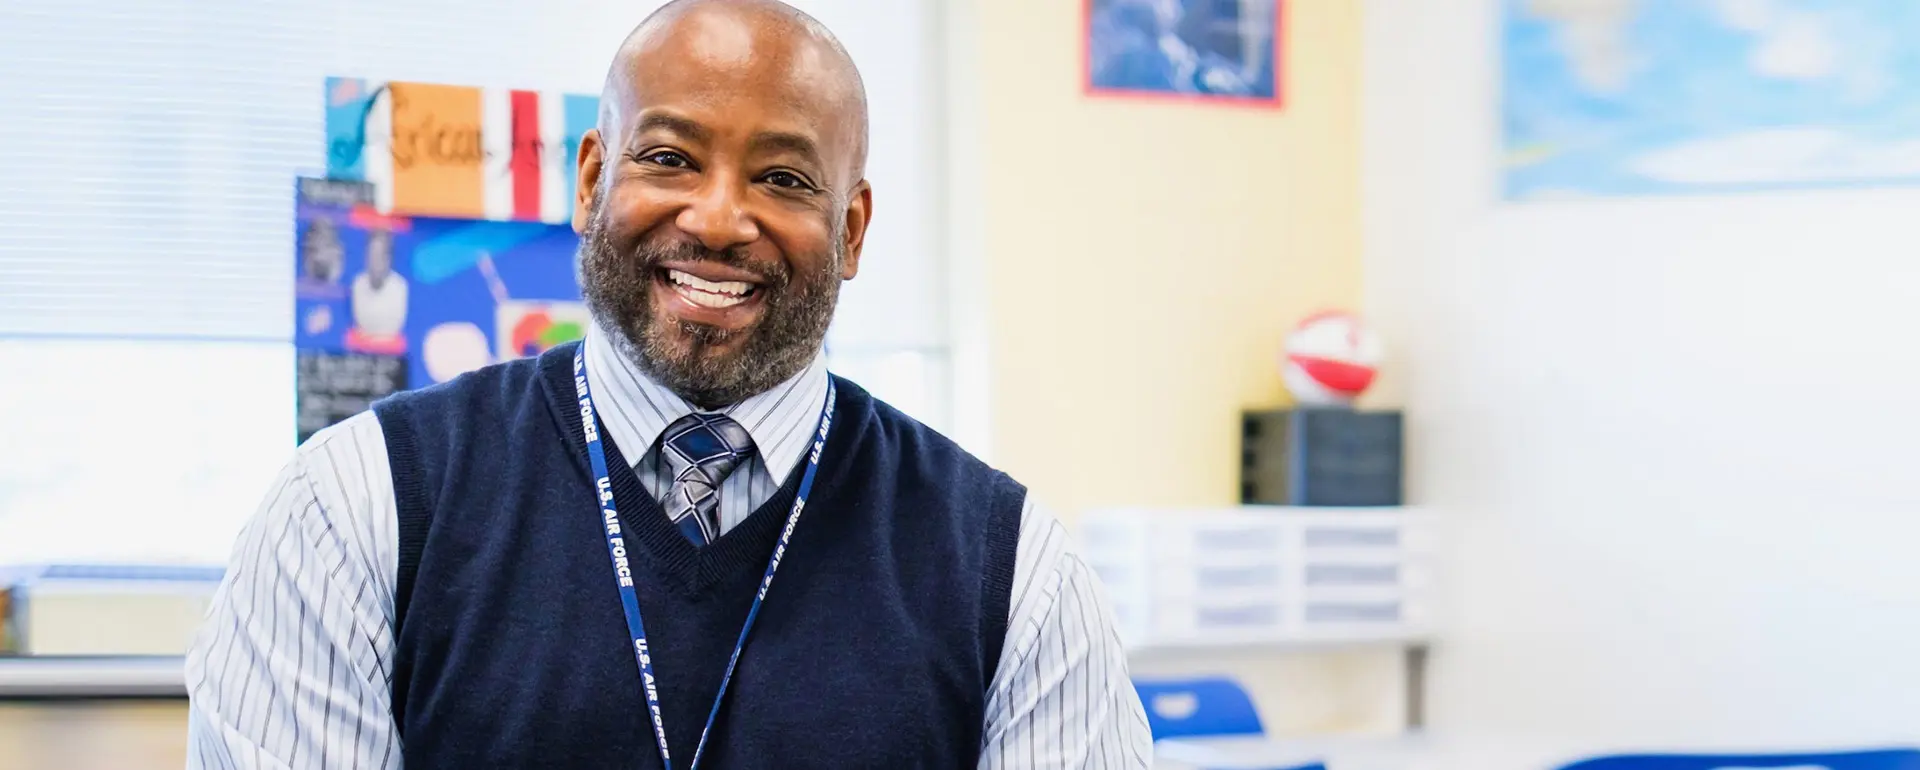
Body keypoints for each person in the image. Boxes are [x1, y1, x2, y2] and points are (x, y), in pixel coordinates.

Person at [185, 1, 1153, 768]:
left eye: (784, 178)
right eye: (668, 158)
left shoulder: (1011, 573)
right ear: (591, 179)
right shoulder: (357, 512)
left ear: (852, 230)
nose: (722, 218)